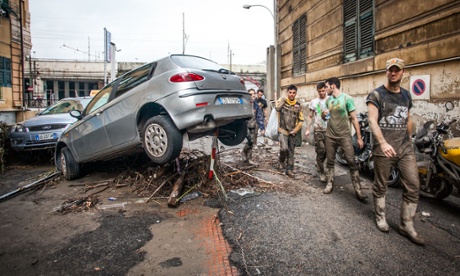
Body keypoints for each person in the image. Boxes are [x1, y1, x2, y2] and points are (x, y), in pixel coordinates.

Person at [366, 58, 425, 245]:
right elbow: (372, 121)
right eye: (390, 70)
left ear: (402, 72)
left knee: (413, 184)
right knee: (381, 184)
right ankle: (380, 216)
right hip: (384, 148)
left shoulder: (406, 95)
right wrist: (382, 143)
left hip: (405, 148)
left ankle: (406, 225)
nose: (393, 73)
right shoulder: (376, 95)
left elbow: (408, 119)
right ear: (386, 72)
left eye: (396, 70)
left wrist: (410, 138)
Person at [322, 77, 367, 200]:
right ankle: (329, 183)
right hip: (330, 136)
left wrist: (359, 137)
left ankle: (358, 190)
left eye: (326, 86)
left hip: (344, 136)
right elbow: (326, 118)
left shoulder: (347, 99)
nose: (325, 89)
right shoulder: (328, 101)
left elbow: (354, 119)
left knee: (352, 162)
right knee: (330, 161)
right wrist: (323, 115)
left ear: (333, 86)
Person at [273, 84, 304, 178]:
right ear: (287, 93)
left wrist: (296, 130)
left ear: (296, 93)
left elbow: (301, 120)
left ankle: (289, 169)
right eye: (290, 92)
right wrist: (282, 101)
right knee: (284, 148)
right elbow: (277, 108)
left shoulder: (298, 105)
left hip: (292, 132)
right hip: (282, 130)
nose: (291, 94)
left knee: (291, 151)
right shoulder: (282, 101)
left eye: (293, 93)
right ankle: (281, 160)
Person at [305, 82, 328, 182]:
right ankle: (321, 172)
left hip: (330, 130)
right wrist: (307, 129)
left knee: (329, 152)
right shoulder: (314, 102)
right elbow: (310, 116)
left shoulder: (331, 100)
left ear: (326, 89)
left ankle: (319, 162)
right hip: (318, 129)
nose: (321, 93)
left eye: (323, 91)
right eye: (319, 91)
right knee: (321, 150)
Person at [242, 89, 265, 165]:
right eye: (251, 94)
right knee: (250, 141)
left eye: (254, 94)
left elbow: (259, 117)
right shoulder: (244, 105)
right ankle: (244, 152)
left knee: (252, 143)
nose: (253, 95)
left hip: (254, 126)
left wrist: (262, 128)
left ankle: (249, 159)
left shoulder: (256, 105)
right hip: (245, 126)